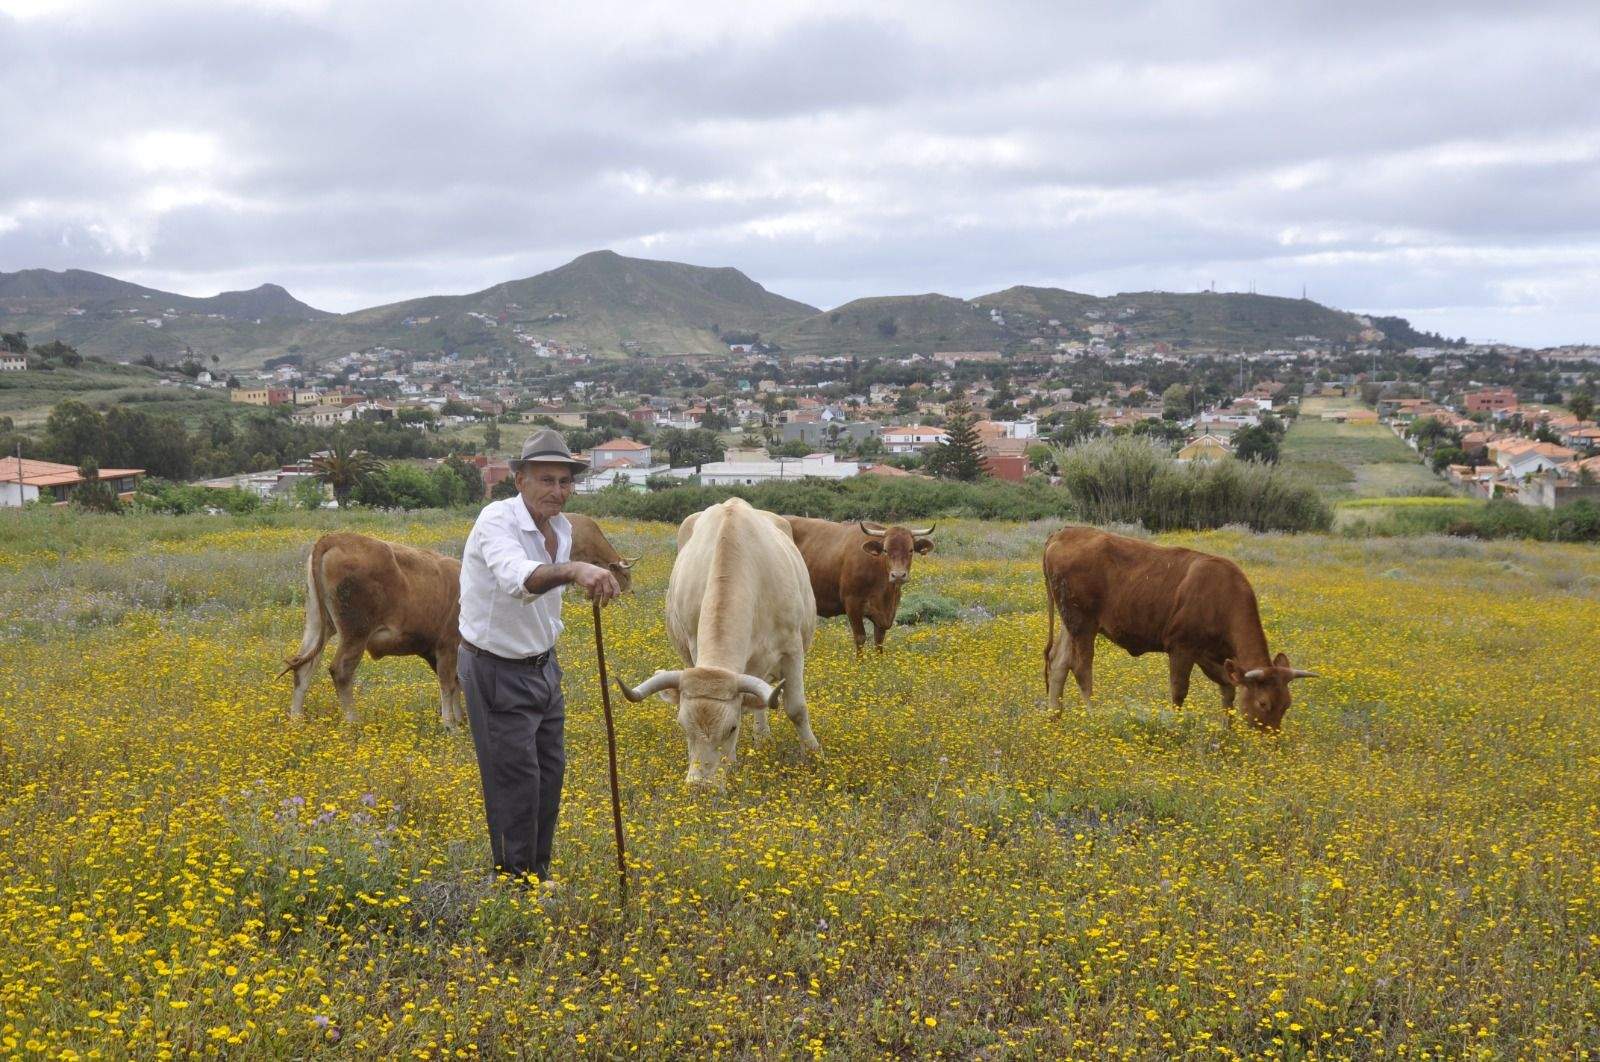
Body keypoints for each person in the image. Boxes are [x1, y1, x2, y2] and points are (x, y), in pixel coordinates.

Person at [456, 428, 621, 884]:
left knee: (549, 774)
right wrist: (574, 570)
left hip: (542, 666)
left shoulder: (561, 529)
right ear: (520, 481)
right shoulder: (496, 521)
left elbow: (544, 598)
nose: (558, 491)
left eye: (565, 482)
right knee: (515, 781)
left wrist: (576, 582)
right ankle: (513, 883)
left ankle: (537, 873)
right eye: (546, 480)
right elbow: (518, 578)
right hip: (495, 669)